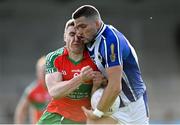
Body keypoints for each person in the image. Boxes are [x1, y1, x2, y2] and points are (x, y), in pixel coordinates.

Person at [72, 5, 149, 124]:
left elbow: (115, 87)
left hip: (133, 106)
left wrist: (97, 113)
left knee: (93, 119)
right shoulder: (89, 39)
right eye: (77, 28)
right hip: (113, 106)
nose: (79, 32)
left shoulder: (110, 41)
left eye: (83, 26)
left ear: (97, 24)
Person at [37, 19, 105, 124]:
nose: (76, 39)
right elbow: (54, 91)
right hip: (56, 114)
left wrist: (97, 85)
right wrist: (81, 78)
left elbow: (99, 96)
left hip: (83, 118)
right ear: (65, 36)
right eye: (72, 34)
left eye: (80, 35)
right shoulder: (54, 57)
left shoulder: (96, 58)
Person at [14, 56, 51, 124]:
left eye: (45, 70)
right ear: (37, 73)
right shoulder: (32, 90)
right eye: (41, 70)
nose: (43, 73)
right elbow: (21, 110)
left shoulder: (57, 87)